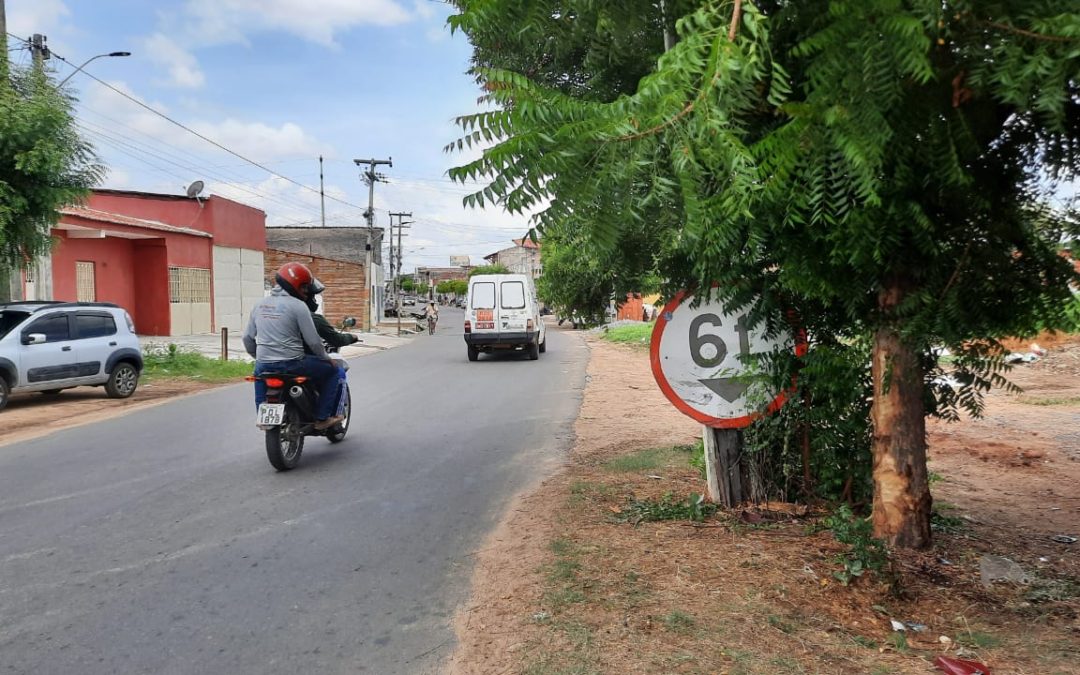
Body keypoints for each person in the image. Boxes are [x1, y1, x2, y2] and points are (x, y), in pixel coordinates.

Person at [243, 262, 342, 430]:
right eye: (304, 287)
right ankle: (322, 418)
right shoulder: (299, 306)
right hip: (293, 363)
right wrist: (326, 358)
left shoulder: (259, 304)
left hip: (264, 362)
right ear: (295, 284)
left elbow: (247, 338)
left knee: (260, 376)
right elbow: (313, 342)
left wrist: (259, 357)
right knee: (333, 371)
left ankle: (262, 414)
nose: (305, 292)